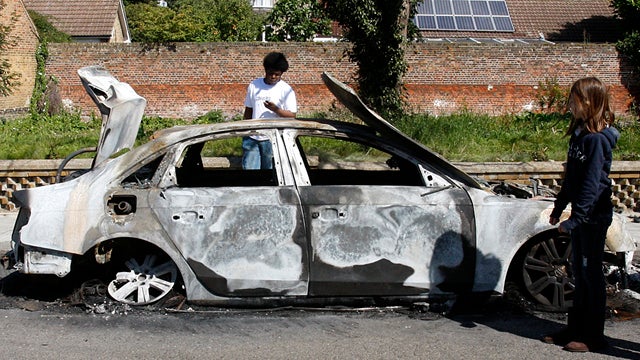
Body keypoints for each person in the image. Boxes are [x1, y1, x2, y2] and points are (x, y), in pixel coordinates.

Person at [542, 77, 619, 353]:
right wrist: (560, 206)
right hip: (582, 216)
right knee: (579, 272)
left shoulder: (598, 140)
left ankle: (593, 336)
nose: (570, 104)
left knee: (590, 275)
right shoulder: (580, 135)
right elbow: (572, 177)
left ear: (588, 102)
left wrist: (577, 218)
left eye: (574, 99)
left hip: (593, 217)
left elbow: (591, 185)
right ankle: (574, 328)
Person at [242, 52, 297, 169]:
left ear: (281, 73)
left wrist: (275, 109)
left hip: (273, 138)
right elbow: (248, 110)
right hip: (252, 137)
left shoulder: (286, 90)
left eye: (277, 75)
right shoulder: (254, 85)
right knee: (249, 171)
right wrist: (245, 130)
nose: (273, 77)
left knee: (270, 172)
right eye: (270, 73)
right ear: (265, 70)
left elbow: (292, 115)